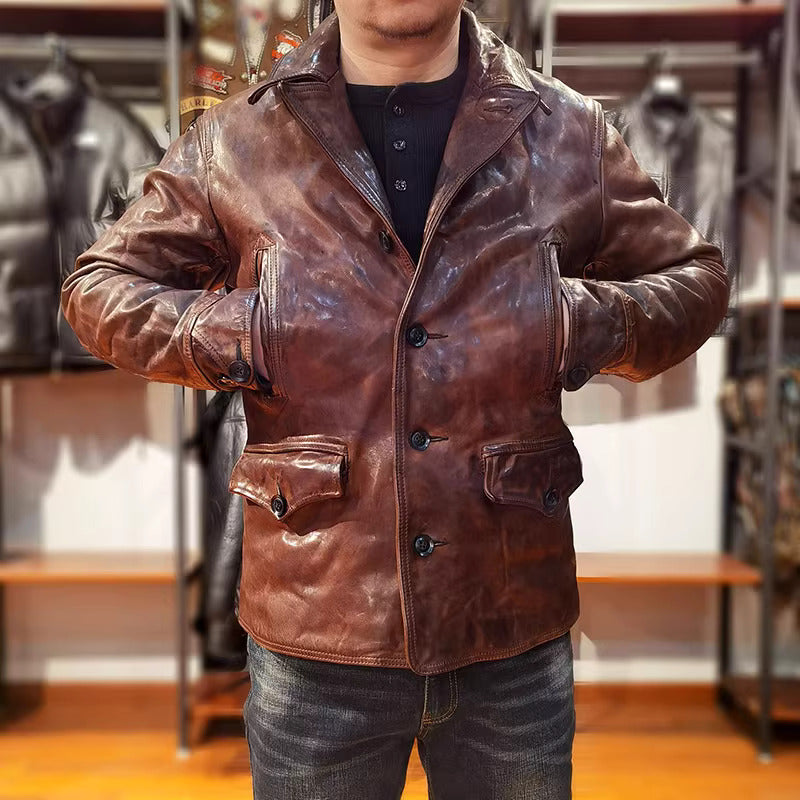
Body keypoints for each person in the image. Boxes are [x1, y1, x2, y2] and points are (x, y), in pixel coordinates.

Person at [60, 2, 729, 798]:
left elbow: (696, 278)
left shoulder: (568, 133)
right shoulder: (236, 139)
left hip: (508, 614)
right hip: (316, 620)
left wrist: (574, 320)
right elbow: (98, 289)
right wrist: (248, 332)